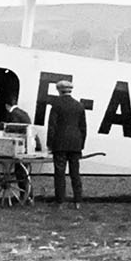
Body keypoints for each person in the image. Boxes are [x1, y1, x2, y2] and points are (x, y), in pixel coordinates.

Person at [45, 79, 87, 208]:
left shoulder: (56, 105)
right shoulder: (79, 105)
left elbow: (52, 126)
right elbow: (83, 128)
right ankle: (78, 201)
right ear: (70, 90)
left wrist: (50, 144)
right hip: (75, 144)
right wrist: (81, 145)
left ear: (59, 90)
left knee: (60, 174)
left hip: (60, 144)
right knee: (75, 173)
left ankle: (60, 201)